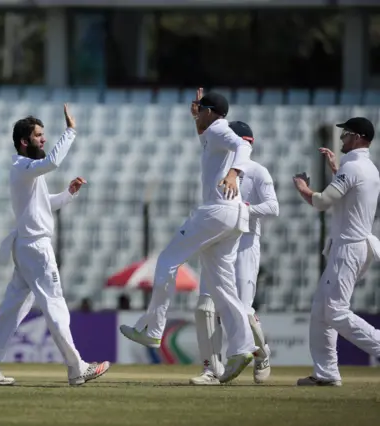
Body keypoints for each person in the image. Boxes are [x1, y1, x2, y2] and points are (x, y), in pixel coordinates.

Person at [119, 89, 258, 384]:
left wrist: (234, 174)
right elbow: (205, 134)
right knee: (223, 288)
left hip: (217, 211)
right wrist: (197, 117)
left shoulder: (221, 129)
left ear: (211, 112)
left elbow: (243, 148)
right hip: (233, 217)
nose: (198, 115)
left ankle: (153, 331)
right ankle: (243, 348)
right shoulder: (211, 131)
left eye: (201, 110)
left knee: (167, 260)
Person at [0, 105, 110, 386]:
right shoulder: (23, 167)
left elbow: (44, 206)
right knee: (55, 305)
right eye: (39, 135)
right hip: (35, 249)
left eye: (44, 135)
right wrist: (70, 131)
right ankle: (76, 367)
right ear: (24, 141)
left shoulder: (28, 171)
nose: (44, 139)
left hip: (27, 247)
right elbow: (54, 162)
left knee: (12, 310)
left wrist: (68, 194)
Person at [190, 121, 279, 386]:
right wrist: (199, 119)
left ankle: (261, 353)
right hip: (217, 239)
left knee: (243, 309)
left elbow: (273, 207)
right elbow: (205, 141)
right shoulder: (216, 165)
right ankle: (211, 370)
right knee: (205, 308)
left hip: (245, 242)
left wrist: (242, 210)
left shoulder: (257, 172)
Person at [293, 117, 380, 386]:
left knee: (335, 312)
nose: (341, 139)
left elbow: (322, 202)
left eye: (345, 135)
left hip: (349, 248)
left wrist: (303, 188)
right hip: (353, 245)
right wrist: (336, 170)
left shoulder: (352, 167)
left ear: (357, 138)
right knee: (321, 310)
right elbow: (349, 200)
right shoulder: (365, 167)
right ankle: (326, 373)